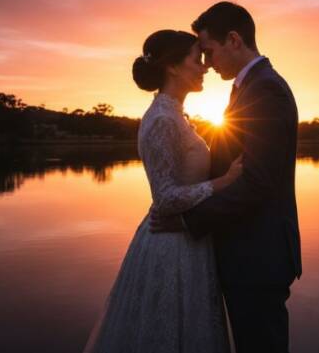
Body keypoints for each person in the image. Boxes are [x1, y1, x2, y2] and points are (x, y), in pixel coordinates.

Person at [151, 2, 302, 353]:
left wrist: (188, 220)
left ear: (233, 40)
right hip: (247, 253)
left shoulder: (265, 90)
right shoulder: (249, 87)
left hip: (258, 257)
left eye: (209, 51)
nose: (206, 63)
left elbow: (257, 183)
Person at [84, 29, 241, 353]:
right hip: (170, 247)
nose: (205, 67)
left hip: (187, 240)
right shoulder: (162, 120)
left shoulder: (173, 115)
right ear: (173, 67)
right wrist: (223, 183)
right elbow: (165, 197)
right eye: (197, 59)